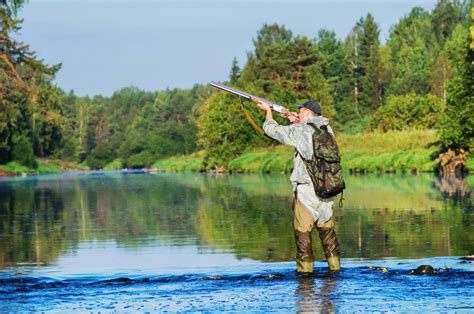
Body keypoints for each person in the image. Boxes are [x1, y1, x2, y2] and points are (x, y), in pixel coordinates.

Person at [253, 98, 341, 273]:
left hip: (307, 192)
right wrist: (294, 119)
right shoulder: (327, 129)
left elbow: (272, 130)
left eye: (300, 111)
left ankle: (305, 277)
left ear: (308, 113)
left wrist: (268, 112)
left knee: (303, 235)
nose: (298, 112)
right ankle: (335, 272)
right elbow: (307, 133)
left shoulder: (300, 130)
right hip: (327, 190)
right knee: (328, 234)